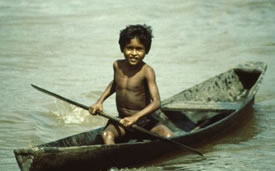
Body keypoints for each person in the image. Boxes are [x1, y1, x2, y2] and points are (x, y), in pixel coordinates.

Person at [89, 24, 173, 145]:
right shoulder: (117, 66)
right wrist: (99, 102)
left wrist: (135, 118)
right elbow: (115, 84)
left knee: (169, 136)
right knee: (106, 135)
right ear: (122, 48)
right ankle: (114, 161)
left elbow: (156, 102)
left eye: (139, 49)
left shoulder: (147, 71)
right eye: (129, 48)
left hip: (144, 123)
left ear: (146, 50)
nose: (134, 53)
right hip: (123, 122)